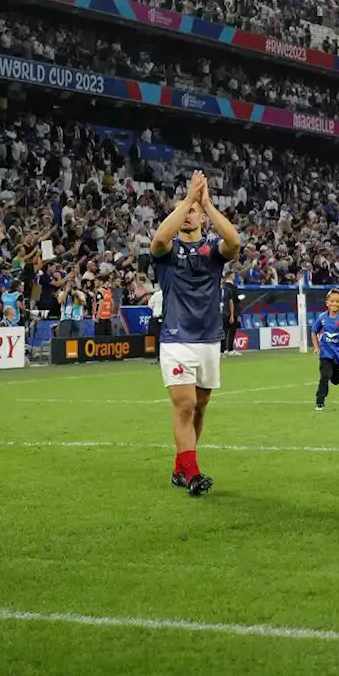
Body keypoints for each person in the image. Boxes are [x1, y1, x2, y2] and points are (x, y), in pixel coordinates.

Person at [150, 171, 242, 497]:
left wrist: (206, 203)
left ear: (203, 217)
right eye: (182, 210)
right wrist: (189, 199)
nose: (187, 214)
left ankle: (180, 466)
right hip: (176, 339)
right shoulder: (167, 252)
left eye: (192, 211)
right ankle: (193, 474)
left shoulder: (213, 250)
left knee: (199, 408)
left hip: (209, 339)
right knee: (185, 405)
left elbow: (234, 242)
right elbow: (159, 240)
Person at [146, 282, 162, 361]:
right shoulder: (168, 294)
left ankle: (158, 357)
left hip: (157, 317)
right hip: (163, 319)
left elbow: (150, 305)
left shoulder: (156, 294)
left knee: (156, 338)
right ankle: (160, 357)